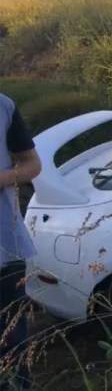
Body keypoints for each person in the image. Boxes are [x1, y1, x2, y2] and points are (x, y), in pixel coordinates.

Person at [0, 93, 41, 389]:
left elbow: (32, 165)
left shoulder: (4, 106)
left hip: (6, 243)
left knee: (12, 340)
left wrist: (2, 177)